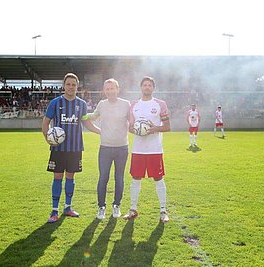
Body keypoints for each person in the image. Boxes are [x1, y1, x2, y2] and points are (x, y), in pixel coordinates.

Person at [42, 73, 100, 223]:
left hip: (75, 148)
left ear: (77, 86)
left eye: (73, 84)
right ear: (64, 85)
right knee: (57, 177)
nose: (71, 87)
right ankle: (54, 211)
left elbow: (86, 123)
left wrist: (101, 131)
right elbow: (45, 122)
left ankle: (67, 208)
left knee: (70, 177)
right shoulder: (55, 103)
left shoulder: (82, 104)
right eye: (68, 84)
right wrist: (48, 139)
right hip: (58, 149)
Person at [123, 76, 171, 223]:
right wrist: (138, 131)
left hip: (155, 149)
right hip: (138, 149)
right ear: (141, 87)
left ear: (153, 88)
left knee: (158, 178)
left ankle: (163, 211)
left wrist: (154, 128)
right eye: (145, 85)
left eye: (150, 85)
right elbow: (130, 127)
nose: (147, 87)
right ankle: (132, 209)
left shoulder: (160, 104)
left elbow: (167, 127)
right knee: (135, 178)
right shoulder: (134, 105)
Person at [89, 78, 130, 220]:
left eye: (112, 88)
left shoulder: (126, 104)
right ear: (104, 91)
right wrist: (80, 115)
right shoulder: (101, 104)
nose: (110, 91)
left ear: (117, 89)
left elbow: (133, 121)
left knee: (119, 178)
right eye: (107, 89)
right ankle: (101, 207)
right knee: (103, 178)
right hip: (105, 148)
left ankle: (116, 205)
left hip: (122, 148)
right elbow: (92, 117)